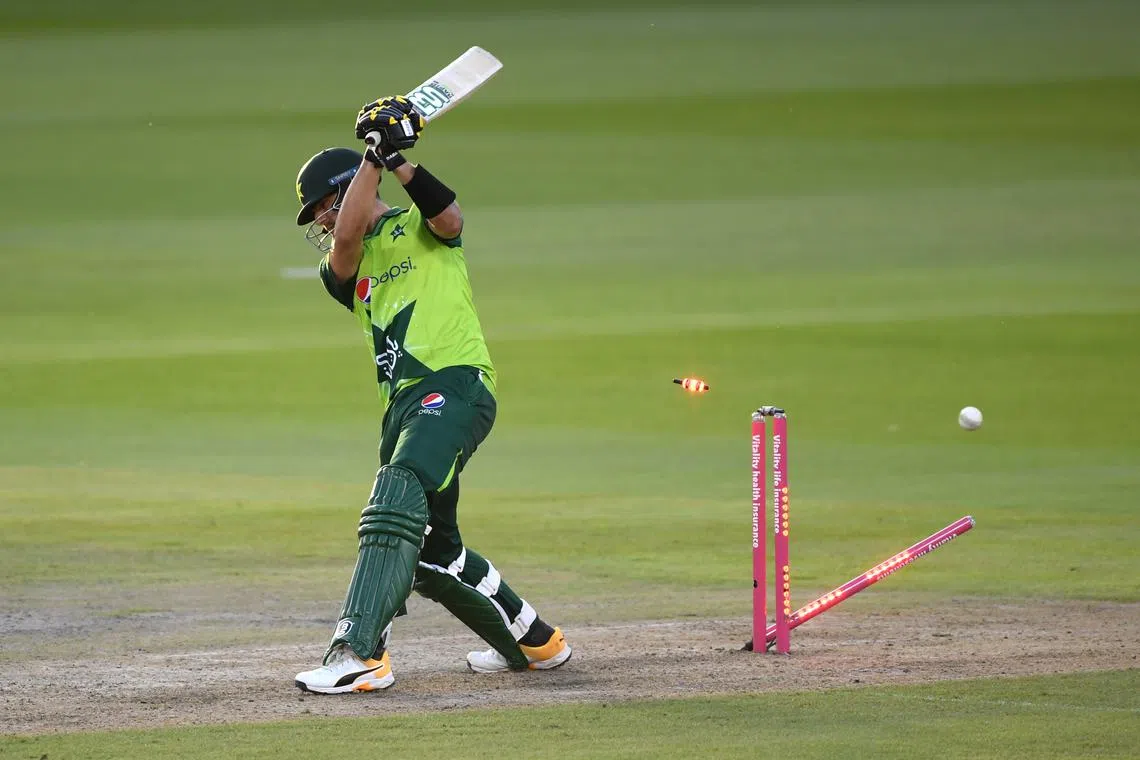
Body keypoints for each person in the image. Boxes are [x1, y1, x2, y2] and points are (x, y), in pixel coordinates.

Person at [291, 96, 571, 694]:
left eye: (320, 207)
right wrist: (375, 154)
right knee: (430, 555)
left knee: (396, 490)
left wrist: (397, 164)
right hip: (402, 407)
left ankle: (360, 653)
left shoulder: (421, 227)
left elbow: (450, 219)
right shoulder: (345, 265)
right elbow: (343, 240)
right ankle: (536, 643)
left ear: (346, 193)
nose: (318, 223)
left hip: (455, 386)